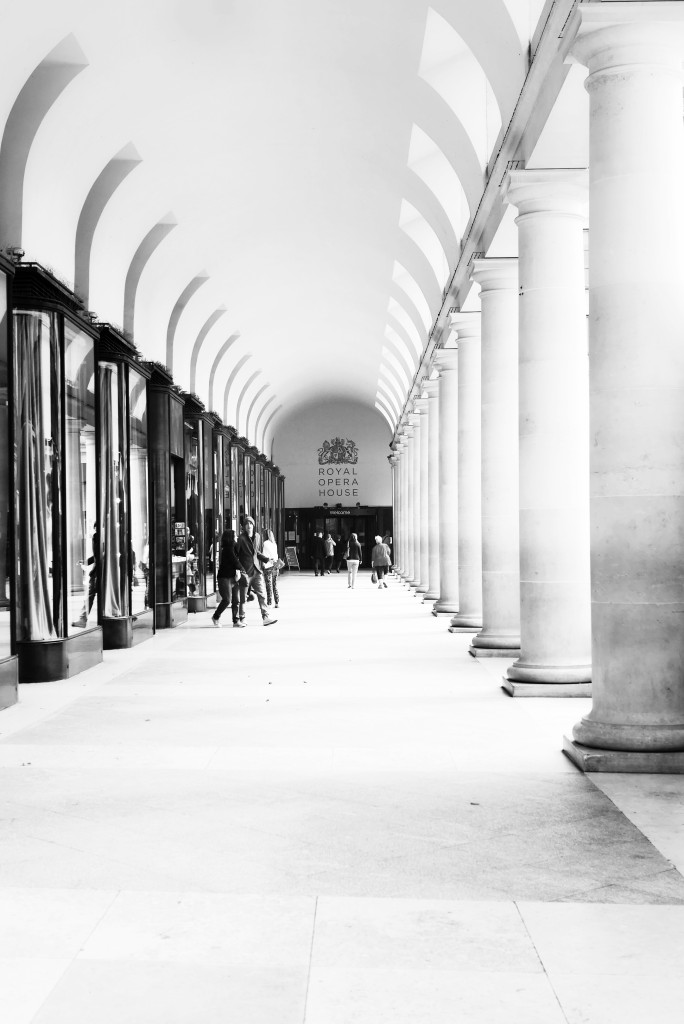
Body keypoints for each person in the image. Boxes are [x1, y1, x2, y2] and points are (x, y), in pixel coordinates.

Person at [235, 516, 277, 625]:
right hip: (245, 572)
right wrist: (238, 569)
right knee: (243, 597)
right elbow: (236, 555)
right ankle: (242, 617)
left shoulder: (257, 536)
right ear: (244, 526)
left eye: (251, 524)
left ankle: (265, 617)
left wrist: (268, 560)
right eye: (247, 524)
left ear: (253, 525)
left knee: (262, 594)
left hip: (257, 570)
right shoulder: (241, 539)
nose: (249, 526)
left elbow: (256, 552)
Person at [212, 529, 244, 628]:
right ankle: (216, 616)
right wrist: (242, 568)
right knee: (227, 599)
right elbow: (234, 560)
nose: (237, 537)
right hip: (224, 578)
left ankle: (236, 620)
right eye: (235, 535)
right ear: (230, 537)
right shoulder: (228, 549)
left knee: (236, 600)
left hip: (233, 577)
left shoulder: (233, 547)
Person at [262, 529, 280, 609]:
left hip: (268, 566)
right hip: (275, 566)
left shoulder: (265, 543)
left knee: (268, 585)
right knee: (274, 584)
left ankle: (269, 602)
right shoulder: (274, 544)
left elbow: (263, 554)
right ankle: (277, 602)